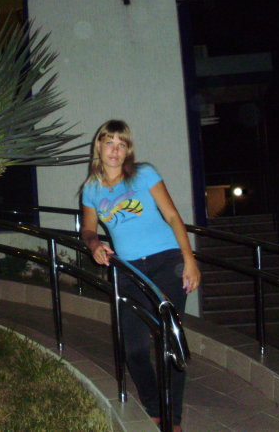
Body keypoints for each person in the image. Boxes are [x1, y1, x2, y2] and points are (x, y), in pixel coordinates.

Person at [80, 119, 200, 430]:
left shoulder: (144, 174)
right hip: (128, 270)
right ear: (99, 146)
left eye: (121, 144)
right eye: (109, 142)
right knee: (133, 348)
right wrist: (94, 244)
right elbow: (88, 230)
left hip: (166, 262)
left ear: (128, 149)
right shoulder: (91, 189)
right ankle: (153, 404)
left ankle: (172, 418)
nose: (115, 150)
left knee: (170, 341)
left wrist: (189, 260)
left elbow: (172, 216)